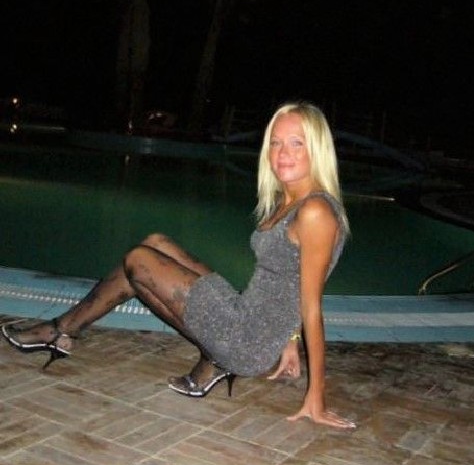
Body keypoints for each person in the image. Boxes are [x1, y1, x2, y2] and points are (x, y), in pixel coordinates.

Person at [1, 102, 355, 429]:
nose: (282, 153)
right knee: (155, 243)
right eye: (275, 143)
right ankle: (64, 330)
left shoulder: (315, 211)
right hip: (245, 315)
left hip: (245, 340)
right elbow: (292, 282)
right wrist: (289, 339)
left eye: (296, 143)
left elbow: (312, 303)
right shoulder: (292, 199)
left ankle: (62, 331)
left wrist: (316, 396)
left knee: (139, 261)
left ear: (317, 149)